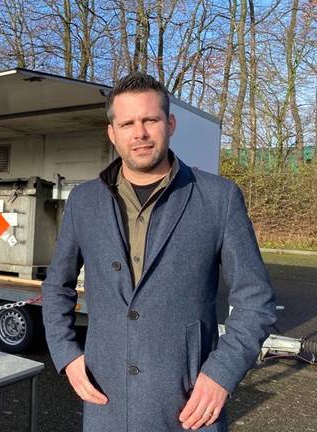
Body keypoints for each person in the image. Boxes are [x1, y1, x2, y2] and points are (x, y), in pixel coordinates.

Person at [41, 72, 276, 431]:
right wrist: (66, 355)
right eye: (127, 123)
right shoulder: (83, 201)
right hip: (106, 404)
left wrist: (221, 375)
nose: (140, 133)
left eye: (150, 120)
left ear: (170, 124)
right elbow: (57, 286)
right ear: (112, 132)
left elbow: (256, 301)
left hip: (189, 408)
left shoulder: (219, 198)